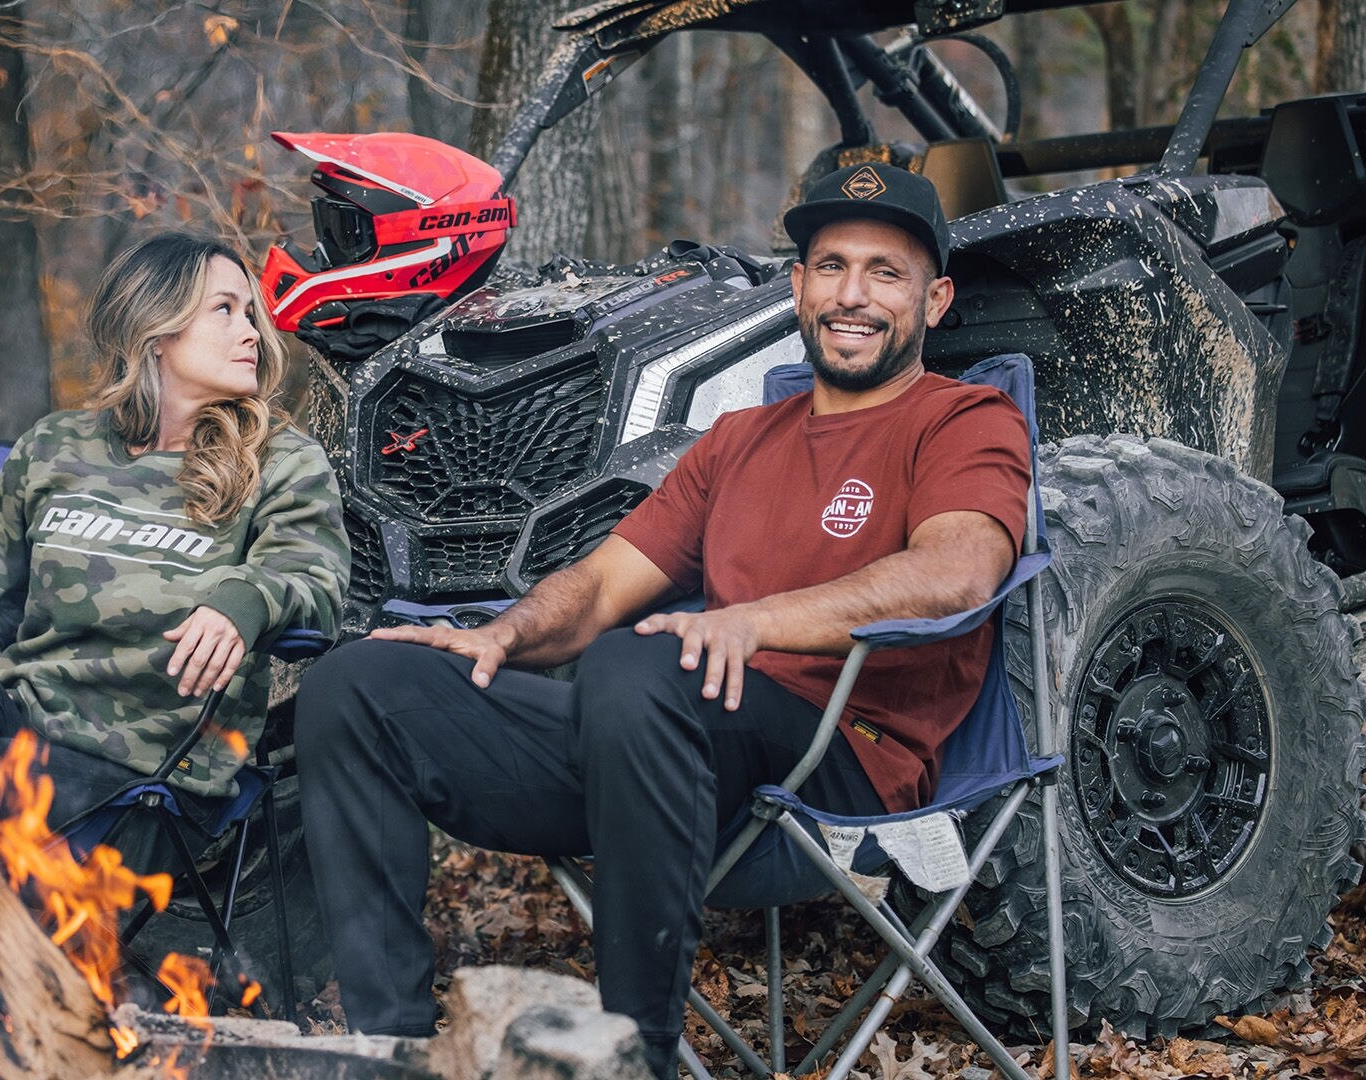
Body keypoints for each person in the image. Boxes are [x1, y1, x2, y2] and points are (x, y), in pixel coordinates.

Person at [295, 164, 1030, 1078]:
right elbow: (600, 587)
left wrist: (755, 622)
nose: (853, 295)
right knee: (358, 687)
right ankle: (391, 1044)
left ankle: (629, 1055)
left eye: (886, 271)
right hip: (661, 746)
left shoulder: (964, 419)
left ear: (936, 297)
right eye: (831, 265)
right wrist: (504, 636)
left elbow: (959, 573)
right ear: (796, 286)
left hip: (834, 757)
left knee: (638, 666)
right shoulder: (736, 441)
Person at [0, 230, 349, 873]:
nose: (253, 331)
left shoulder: (279, 460)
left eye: (250, 312)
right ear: (156, 329)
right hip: (15, 748)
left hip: (145, 779)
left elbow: (312, 576)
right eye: (224, 309)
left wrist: (242, 603)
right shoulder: (54, 447)